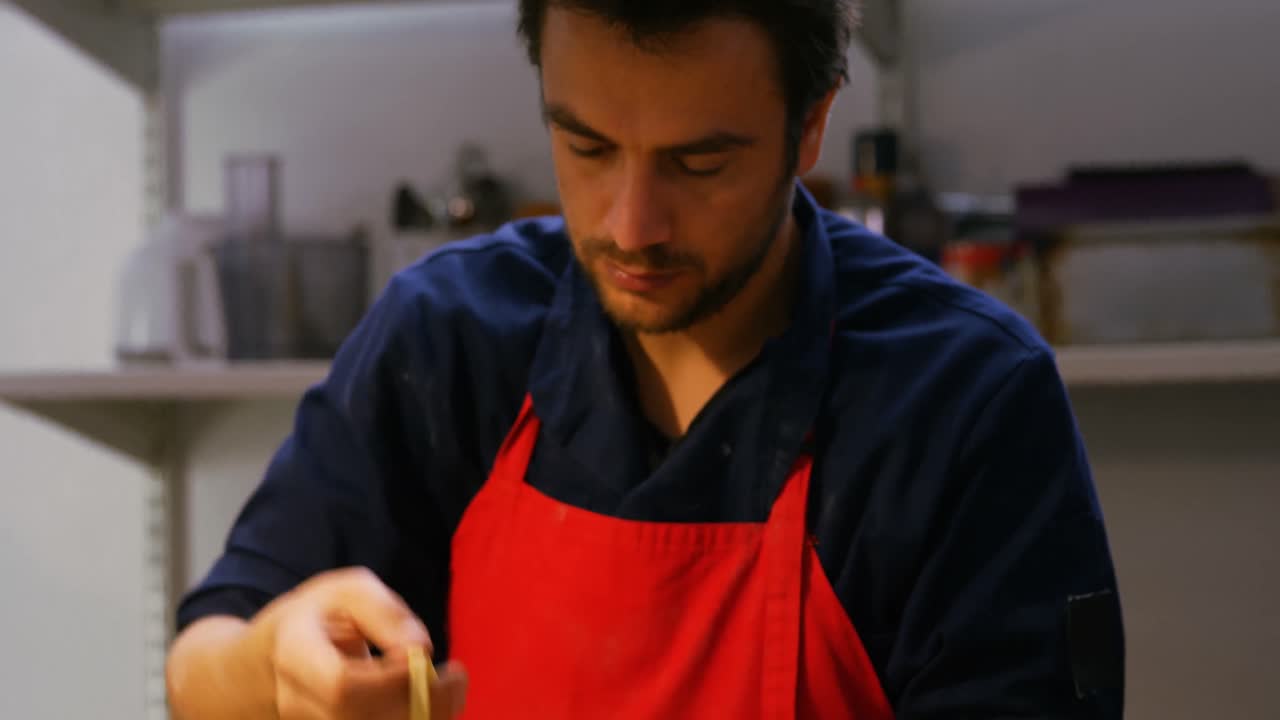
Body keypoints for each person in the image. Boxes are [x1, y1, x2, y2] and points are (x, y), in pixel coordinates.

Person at [165, 1, 1126, 718]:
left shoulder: (962, 399)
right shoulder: (451, 338)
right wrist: (272, 667)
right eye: (585, 146)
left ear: (812, 124)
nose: (633, 225)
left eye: (698, 164)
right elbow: (197, 667)